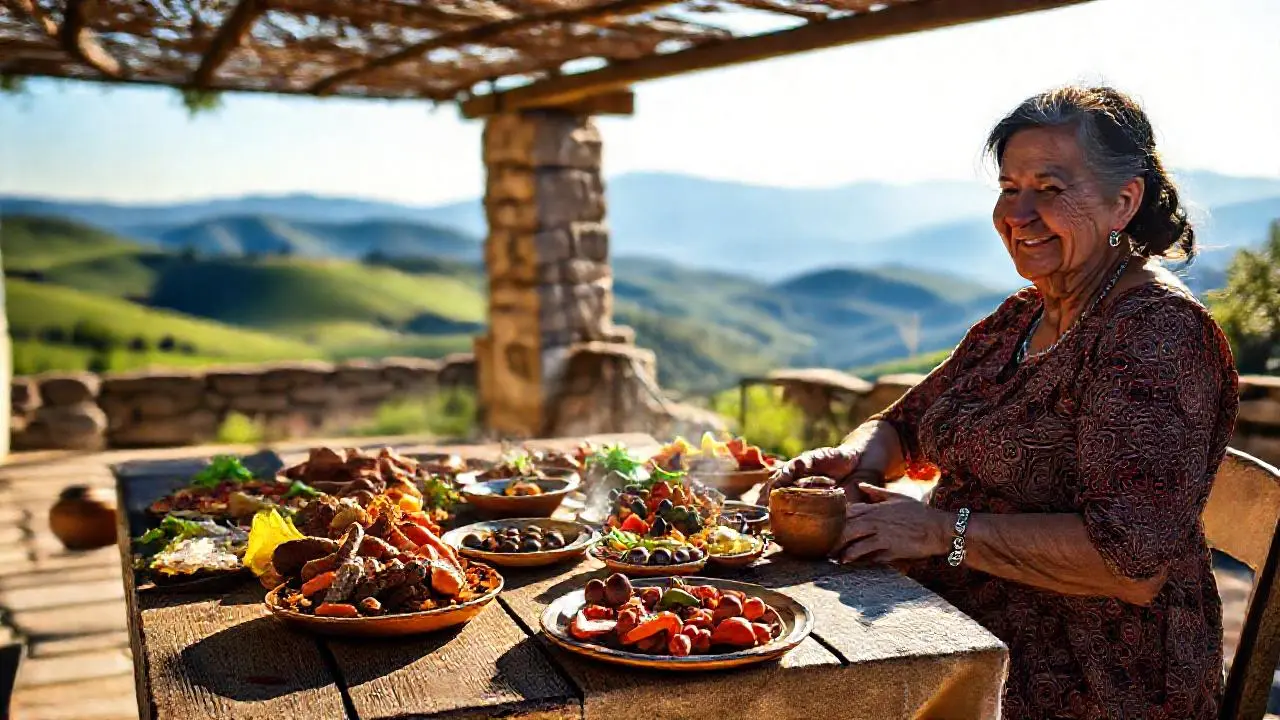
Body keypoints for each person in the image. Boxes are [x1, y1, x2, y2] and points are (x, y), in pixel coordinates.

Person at [768, 86, 1239, 719]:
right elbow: (903, 424)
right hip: (954, 635)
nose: (1019, 213)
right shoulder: (1022, 316)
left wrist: (943, 533)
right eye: (1009, 187)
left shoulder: (1155, 335)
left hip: (1089, 681)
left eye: (1050, 188)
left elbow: (1130, 564)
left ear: (1123, 201)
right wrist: (855, 464)